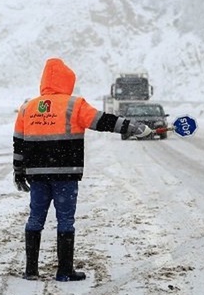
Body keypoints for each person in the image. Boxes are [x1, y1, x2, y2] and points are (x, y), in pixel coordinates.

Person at [12, 58, 152, 282]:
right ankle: (64, 271)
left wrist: (19, 171)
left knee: (35, 218)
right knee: (65, 220)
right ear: (67, 80)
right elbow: (103, 121)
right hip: (65, 174)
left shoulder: (27, 107)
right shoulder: (74, 105)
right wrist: (132, 127)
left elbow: (18, 141)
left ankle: (31, 270)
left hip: (37, 175)